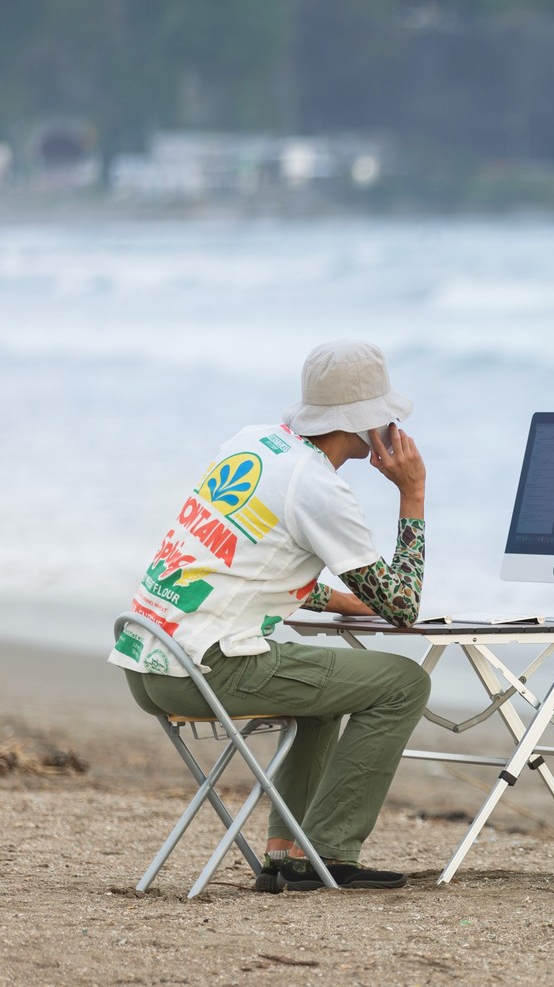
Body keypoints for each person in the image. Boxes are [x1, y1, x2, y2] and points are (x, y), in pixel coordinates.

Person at [110, 339, 432, 892]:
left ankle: (289, 853)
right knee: (403, 682)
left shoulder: (252, 444)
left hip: (149, 661)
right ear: (364, 423)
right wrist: (413, 492)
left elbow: (244, 569)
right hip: (205, 672)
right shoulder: (319, 488)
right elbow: (403, 605)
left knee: (329, 690)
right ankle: (330, 851)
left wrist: (345, 601)